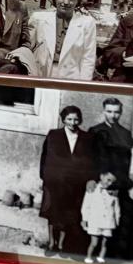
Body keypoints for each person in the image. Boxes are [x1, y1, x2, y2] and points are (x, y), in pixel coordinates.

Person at [39, 105, 96, 256]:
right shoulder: (53, 135)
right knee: (52, 212)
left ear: (80, 120)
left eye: (76, 119)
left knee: (68, 214)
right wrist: (44, 177)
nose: (72, 123)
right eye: (69, 119)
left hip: (74, 184)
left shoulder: (87, 138)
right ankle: (51, 243)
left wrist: (87, 179)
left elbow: (90, 161)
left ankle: (62, 245)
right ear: (63, 120)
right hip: (55, 182)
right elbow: (45, 156)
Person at [87, 98, 133, 260]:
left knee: (115, 218)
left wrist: (120, 180)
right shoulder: (95, 131)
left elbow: (128, 160)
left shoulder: (125, 134)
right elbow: (90, 158)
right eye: (109, 111)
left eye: (116, 112)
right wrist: (94, 178)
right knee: (96, 217)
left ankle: (112, 255)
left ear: (121, 113)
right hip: (100, 181)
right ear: (104, 111)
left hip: (119, 181)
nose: (113, 115)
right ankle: (91, 254)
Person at [29, 0, 97, 79]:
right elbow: (28, 50)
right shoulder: (39, 19)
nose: (66, 2)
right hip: (40, 75)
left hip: (71, 79)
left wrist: (82, 85)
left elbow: (88, 59)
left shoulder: (87, 24)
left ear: (78, 0)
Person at [81, 171, 120, 264]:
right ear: (102, 176)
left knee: (105, 243)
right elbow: (86, 205)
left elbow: (117, 208)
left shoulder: (113, 192)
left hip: (108, 221)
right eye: (108, 180)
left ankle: (101, 259)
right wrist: (84, 219)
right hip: (95, 220)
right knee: (94, 243)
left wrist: (117, 220)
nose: (110, 183)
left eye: (112, 182)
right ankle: (88, 258)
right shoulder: (92, 188)